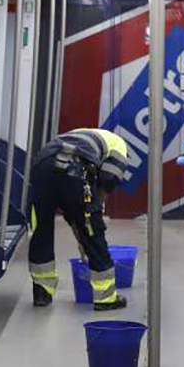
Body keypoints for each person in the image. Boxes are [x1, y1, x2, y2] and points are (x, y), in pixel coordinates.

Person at [28, 127, 130, 310]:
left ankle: (42, 292)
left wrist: (79, 231)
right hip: (75, 168)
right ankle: (105, 298)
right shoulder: (120, 147)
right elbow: (108, 179)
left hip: (42, 165)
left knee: (41, 229)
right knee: (93, 230)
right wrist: (93, 214)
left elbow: (71, 209)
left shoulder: (81, 134)